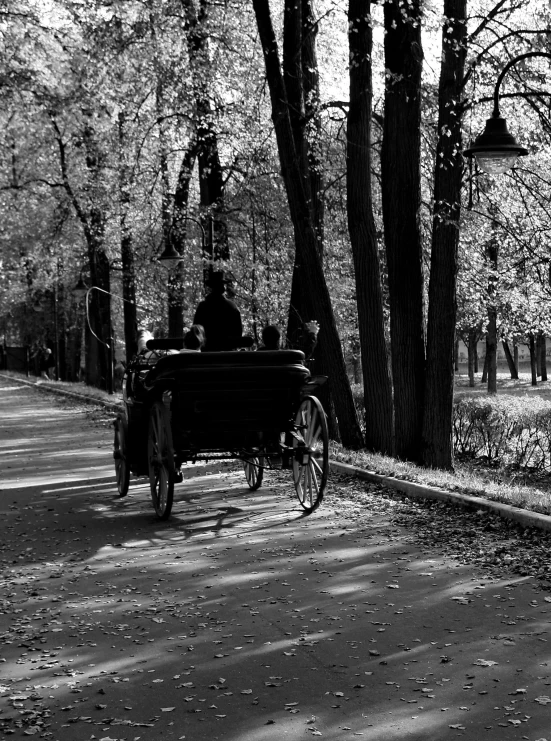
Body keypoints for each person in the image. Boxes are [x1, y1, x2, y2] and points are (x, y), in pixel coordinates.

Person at [193, 271, 243, 351]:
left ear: (211, 287)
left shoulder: (202, 307)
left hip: (207, 354)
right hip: (229, 354)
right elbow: (238, 333)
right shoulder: (232, 307)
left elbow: (196, 331)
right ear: (223, 287)